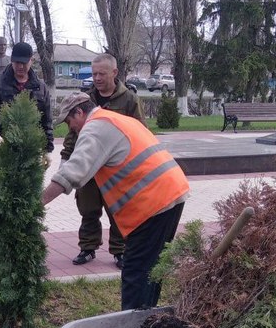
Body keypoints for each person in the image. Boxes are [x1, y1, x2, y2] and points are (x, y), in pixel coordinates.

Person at [42, 93, 190, 311]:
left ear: (80, 112)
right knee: (151, 267)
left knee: (135, 270)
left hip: (153, 203)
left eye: (69, 121)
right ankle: (148, 318)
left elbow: (73, 172)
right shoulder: (114, 119)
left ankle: (131, 324)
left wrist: (38, 203)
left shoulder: (95, 128)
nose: (70, 128)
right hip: (171, 193)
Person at [61, 54, 145, 269]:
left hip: (115, 168)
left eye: (102, 73)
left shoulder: (129, 100)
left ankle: (120, 250)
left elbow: (139, 131)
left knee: (117, 210)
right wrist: (66, 158)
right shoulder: (86, 99)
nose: (97, 78)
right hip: (88, 164)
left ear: (114, 73)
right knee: (87, 209)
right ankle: (87, 247)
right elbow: (73, 132)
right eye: (94, 73)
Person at [0, 41, 54, 155]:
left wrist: (47, 149)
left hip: (31, 150)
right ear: (12, 60)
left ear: (31, 60)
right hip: (1, 147)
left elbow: (46, 121)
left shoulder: (40, 87)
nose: (20, 66)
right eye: (17, 62)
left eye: (24, 63)